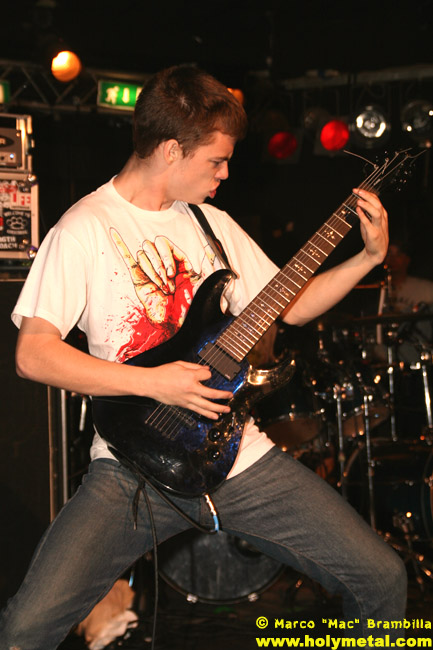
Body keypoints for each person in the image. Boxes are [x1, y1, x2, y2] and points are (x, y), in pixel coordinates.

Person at [0, 65, 406, 649]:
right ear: (171, 150)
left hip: (237, 456)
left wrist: (366, 259)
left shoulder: (211, 224)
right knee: (24, 630)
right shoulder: (83, 228)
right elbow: (34, 355)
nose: (225, 173)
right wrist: (155, 383)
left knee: (382, 577)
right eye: (216, 161)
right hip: (131, 468)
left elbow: (291, 307)